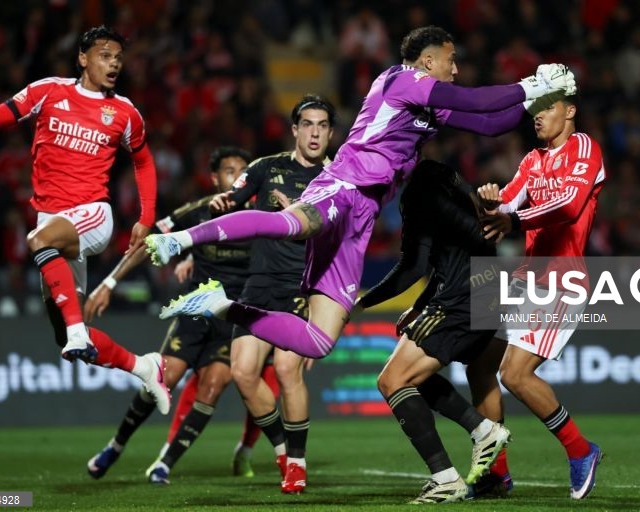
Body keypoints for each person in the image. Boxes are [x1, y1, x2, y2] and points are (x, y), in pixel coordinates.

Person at [148, 26, 575, 362]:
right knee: (290, 226)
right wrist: (531, 85)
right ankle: (179, 239)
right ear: (428, 60)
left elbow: (489, 123)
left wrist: (541, 97)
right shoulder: (401, 80)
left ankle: (219, 306)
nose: (455, 69)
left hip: (364, 213)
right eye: (451, 60)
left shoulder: (429, 104)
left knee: (318, 341)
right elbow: (477, 101)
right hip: (346, 184)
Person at [0, 26, 169, 413]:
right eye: (104, 55)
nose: (114, 63)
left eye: (118, 58)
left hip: (93, 214)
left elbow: (144, 161)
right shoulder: (49, 91)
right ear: (82, 58)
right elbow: (1, 118)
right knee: (64, 330)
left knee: (38, 242)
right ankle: (144, 367)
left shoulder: (125, 112)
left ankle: (79, 331)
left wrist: (146, 217)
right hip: (54, 219)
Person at [82, 146, 257, 483]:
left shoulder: (260, 214)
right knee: (165, 377)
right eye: (229, 170)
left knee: (214, 385)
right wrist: (110, 281)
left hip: (234, 318)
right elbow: (150, 242)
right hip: (196, 312)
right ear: (215, 178)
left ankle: (165, 464)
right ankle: (116, 445)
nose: (237, 177)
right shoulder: (197, 212)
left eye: (243, 171)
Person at [354, 160, 511, 503]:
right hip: (488, 290)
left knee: (392, 381)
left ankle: (448, 476)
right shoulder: (448, 180)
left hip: (462, 298)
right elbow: (449, 256)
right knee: (415, 377)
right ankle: (483, 430)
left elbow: (413, 267)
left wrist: (362, 304)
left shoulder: (417, 194)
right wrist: (421, 304)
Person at [477, 94, 605, 499]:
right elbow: (508, 201)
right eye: (535, 110)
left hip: (561, 280)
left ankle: (581, 450)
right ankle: (496, 473)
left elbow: (568, 206)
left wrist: (510, 218)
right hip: (526, 279)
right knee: (479, 366)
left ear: (569, 111)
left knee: (514, 374)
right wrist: (489, 202)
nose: (537, 117)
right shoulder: (532, 160)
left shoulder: (584, 148)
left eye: (547, 108)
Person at [209, 95, 335, 494]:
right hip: (258, 285)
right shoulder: (265, 168)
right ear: (295, 129)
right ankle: (283, 450)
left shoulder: (338, 179)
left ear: (331, 133)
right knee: (243, 373)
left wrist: (303, 214)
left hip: (300, 288)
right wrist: (222, 203)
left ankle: (296, 465)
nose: (315, 132)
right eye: (307, 124)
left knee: (286, 370)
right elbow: (236, 198)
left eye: (322, 125)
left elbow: (343, 242)